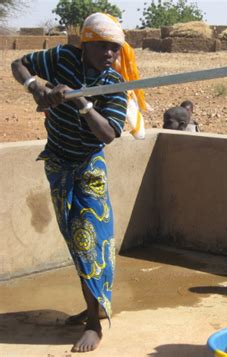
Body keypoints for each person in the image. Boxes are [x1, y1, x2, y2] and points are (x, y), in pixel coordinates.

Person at [11, 12, 145, 353]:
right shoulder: (63, 57)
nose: (109, 55)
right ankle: (91, 305)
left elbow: (108, 133)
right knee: (75, 240)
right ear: (85, 45)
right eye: (102, 47)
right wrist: (37, 88)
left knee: (91, 240)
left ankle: (94, 324)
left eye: (114, 49)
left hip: (88, 166)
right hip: (57, 162)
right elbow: (19, 64)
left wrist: (81, 101)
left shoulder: (114, 85)